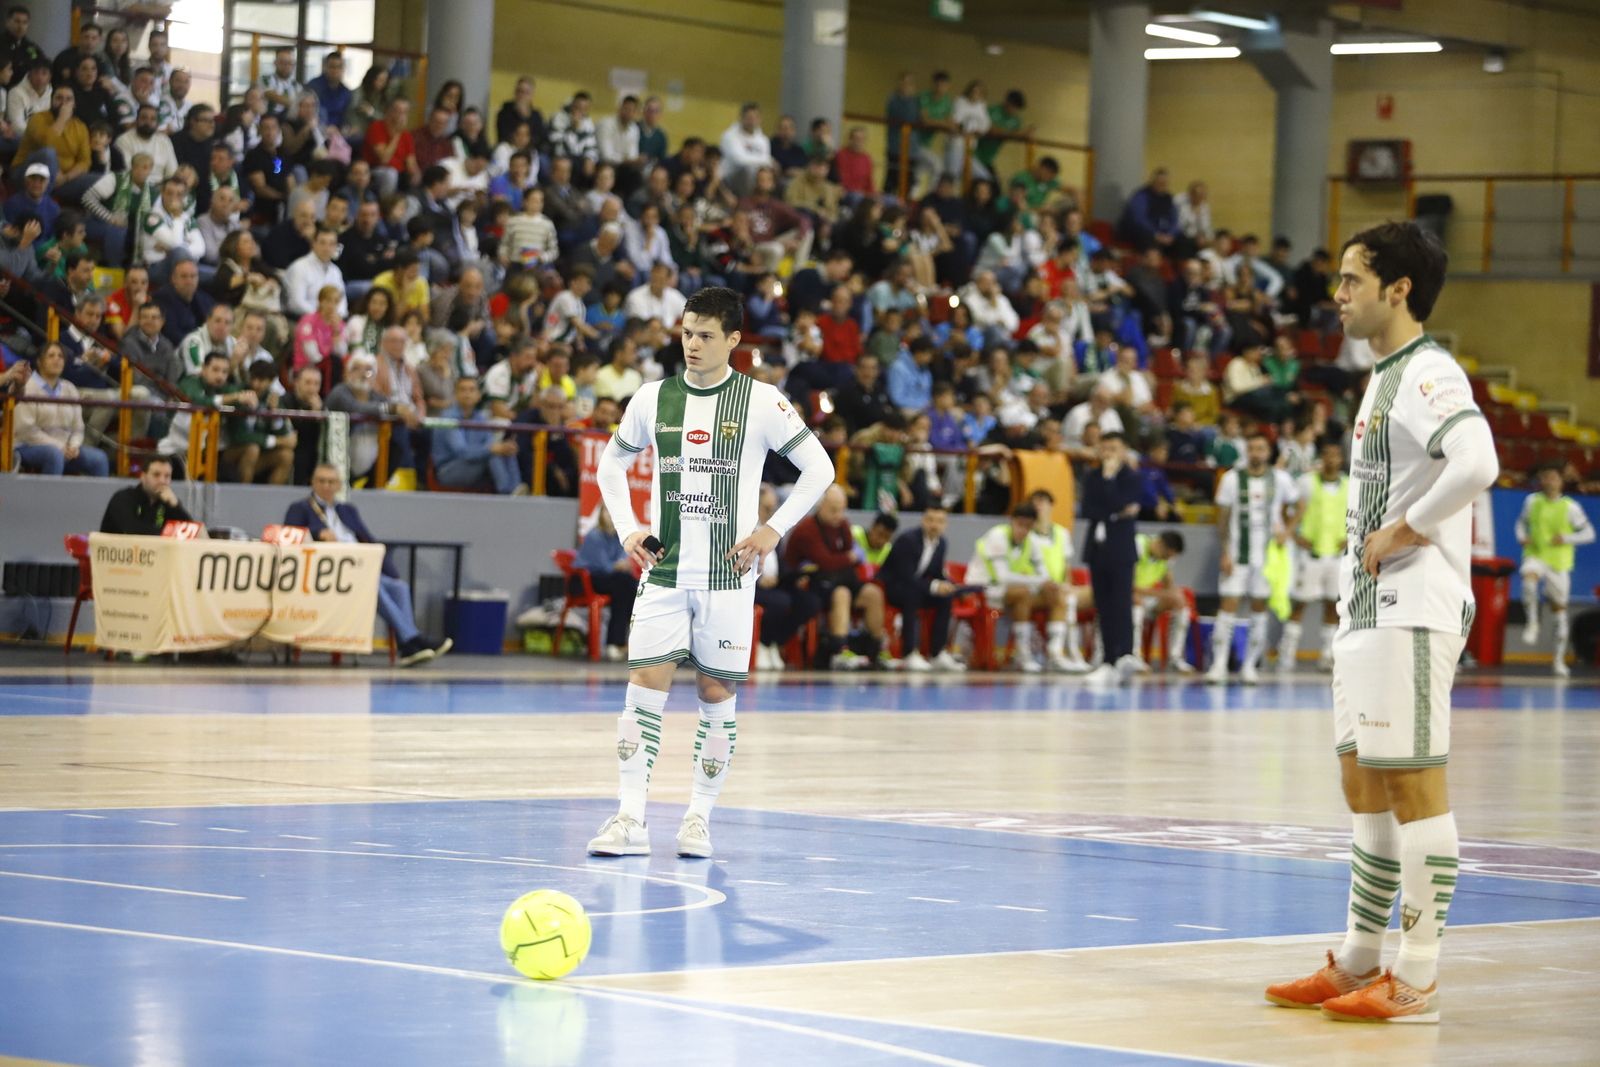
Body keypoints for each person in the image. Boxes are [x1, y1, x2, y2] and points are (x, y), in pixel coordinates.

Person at [1265, 221, 1498, 1024]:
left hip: (1414, 604)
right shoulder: (1382, 374)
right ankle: (1360, 958)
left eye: (1351, 280)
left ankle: (1419, 976)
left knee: (1413, 784)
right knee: (1362, 781)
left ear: (1398, 289)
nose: (1338, 295)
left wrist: (1411, 527)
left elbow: (1478, 461)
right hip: (1366, 608)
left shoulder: (1428, 372)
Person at [587, 286, 834, 860]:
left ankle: (698, 818)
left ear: (733, 340)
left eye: (705, 336)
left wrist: (773, 530)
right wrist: (627, 529)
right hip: (666, 572)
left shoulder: (763, 401)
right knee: (642, 691)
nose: (692, 344)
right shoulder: (652, 398)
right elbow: (611, 464)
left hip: (729, 578)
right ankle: (630, 819)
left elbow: (818, 469)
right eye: (686, 333)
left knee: (715, 693)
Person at [284, 464, 453, 667]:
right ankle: (411, 640)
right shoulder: (301, 508)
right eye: (321, 481)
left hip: (361, 566)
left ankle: (408, 645)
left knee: (399, 587)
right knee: (373, 587)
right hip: (332, 575)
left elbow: (368, 540)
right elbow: (290, 535)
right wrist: (317, 534)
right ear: (312, 483)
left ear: (338, 485)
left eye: (331, 481)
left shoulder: (347, 510)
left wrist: (390, 571)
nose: (326, 486)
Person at [1206, 429, 1300, 686]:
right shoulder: (1231, 479)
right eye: (1251, 449)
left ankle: (1250, 666)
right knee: (1228, 608)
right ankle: (1218, 665)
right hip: (1237, 555)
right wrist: (1224, 551)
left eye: (1260, 449)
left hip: (1268, 559)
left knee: (1259, 610)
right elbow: (1223, 518)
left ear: (1268, 452)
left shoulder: (1280, 479)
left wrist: (1287, 531)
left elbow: (1298, 504)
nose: (1255, 453)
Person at [784, 483, 892, 671]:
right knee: (842, 593)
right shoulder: (807, 529)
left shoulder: (843, 524)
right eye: (833, 510)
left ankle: (876, 650)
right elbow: (826, 562)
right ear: (820, 507)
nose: (839, 515)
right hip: (810, 585)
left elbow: (850, 557)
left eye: (841, 510)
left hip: (839, 579)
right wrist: (845, 559)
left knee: (873, 593)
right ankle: (839, 650)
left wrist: (843, 559)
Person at [1517, 462, 1595, 678]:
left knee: (1559, 612)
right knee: (1528, 580)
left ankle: (1559, 660)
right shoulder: (1532, 501)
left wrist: (1567, 538)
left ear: (1561, 480)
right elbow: (1521, 524)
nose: (1548, 481)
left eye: (1552, 477)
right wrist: (1522, 537)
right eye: (1544, 477)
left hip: (1559, 563)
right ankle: (1532, 622)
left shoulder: (1571, 507)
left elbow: (1589, 533)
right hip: (1536, 555)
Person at [1279, 440, 1349, 674]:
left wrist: (1351, 537)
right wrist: (1295, 535)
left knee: (1333, 605)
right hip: (1311, 554)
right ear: (1322, 458)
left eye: (1336, 455)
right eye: (1327, 455)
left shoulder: (1350, 485)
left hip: (1337, 555)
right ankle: (1287, 654)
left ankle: (1327, 655)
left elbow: (1358, 514)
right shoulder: (1306, 483)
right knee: (1300, 604)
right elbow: (1287, 508)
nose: (1332, 460)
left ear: (1341, 459)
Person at [1080, 432, 1144, 684]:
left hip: (1121, 549)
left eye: (1114, 449)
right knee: (1104, 605)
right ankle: (1107, 658)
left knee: (1121, 602)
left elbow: (1124, 501)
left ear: (1123, 450)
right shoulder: (1092, 477)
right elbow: (1088, 509)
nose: (1108, 454)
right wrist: (1115, 511)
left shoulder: (1131, 476)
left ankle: (1124, 655)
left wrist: (1110, 483)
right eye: (1104, 448)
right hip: (1098, 549)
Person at [879, 505, 965, 672]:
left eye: (940, 521)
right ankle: (909, 653)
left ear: (945, 524)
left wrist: (948, 585)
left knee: (945, 598)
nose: (934, 525)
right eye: (930, 520)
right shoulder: (908, 540)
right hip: (894, 588)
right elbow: (906, 576)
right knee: (913, 594)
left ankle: (937, 653)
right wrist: (934, 586)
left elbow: (936, 573)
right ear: (923, 521)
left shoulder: (941, 544)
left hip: (917, 587)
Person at [13, 341, 110, 477]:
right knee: (54, 455)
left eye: (60, 356)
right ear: (40, 362)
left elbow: (78, 427)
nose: (57, 359)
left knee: (99, 459)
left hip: (65, 448)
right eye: (51, 356)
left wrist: (74, 446)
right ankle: (49, 498)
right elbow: (27, 431)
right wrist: (59, 446)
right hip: (27, 445)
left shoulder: (69, 388)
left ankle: (101, 499)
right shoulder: (26, 388)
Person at [432, 376, 521, 495]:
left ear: (478, 395)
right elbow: (463, 452)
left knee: (506, 449)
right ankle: (507, 492)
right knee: (492, 453)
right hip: (448, 470)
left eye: (471, 390)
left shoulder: (480, 417)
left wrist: (500, 448)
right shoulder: (448, 419)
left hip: (473, 465)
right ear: (455, 394)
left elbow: (490, 444)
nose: (467, 394)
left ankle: (517, 488)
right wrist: (491, 449)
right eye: (462, 390)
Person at [573, 505, 638, 662]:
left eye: (613, 511)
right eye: (607, 511)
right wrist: (620, 565)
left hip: (611, 580)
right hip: (586, 581)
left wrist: (623, 565)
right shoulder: (594, 535)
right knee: (624, 584)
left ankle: (622, 643)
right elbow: (605, 566)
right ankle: (615, 643)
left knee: (632, 586)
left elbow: (623, 560)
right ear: (600, 514)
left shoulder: (619, 537)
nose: (610, 515)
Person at [1130, 531, 1191, 673]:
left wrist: (1174, 595)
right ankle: (1135, 656)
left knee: (1180, 604)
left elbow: (1169, 586)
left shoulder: (1167, 558)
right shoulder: (1137, 545)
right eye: (1166, 555)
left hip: (1148, 598)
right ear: (1159, 544)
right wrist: (1162, 594)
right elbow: (1128, 585)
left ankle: (1175, 658)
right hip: (1127, 598)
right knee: (1137, 603)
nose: (1167, 559)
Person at [99, 455, 191, 535]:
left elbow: (190, 531)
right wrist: (168, 534)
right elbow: (135, 532)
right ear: (143, 477)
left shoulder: (167, 502)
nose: (162, 481)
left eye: (167, 476)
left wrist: (176, 506)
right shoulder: (123, 499)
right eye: (156, 475)